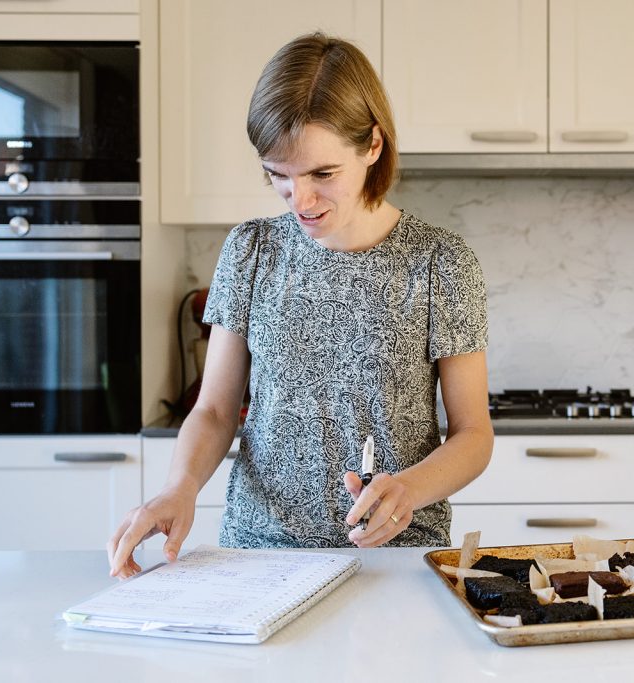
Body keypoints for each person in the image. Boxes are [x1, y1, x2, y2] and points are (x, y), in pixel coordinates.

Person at [107, 33, 493, 578]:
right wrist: (180, 486)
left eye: (322, 174)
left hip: (392, 559)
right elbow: (216, 411)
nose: (301, 200)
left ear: (373, 146)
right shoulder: (252, 250)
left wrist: (410, 487)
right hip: (256, 553)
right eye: (278, 175)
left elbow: (473, 434)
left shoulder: (441, 262)